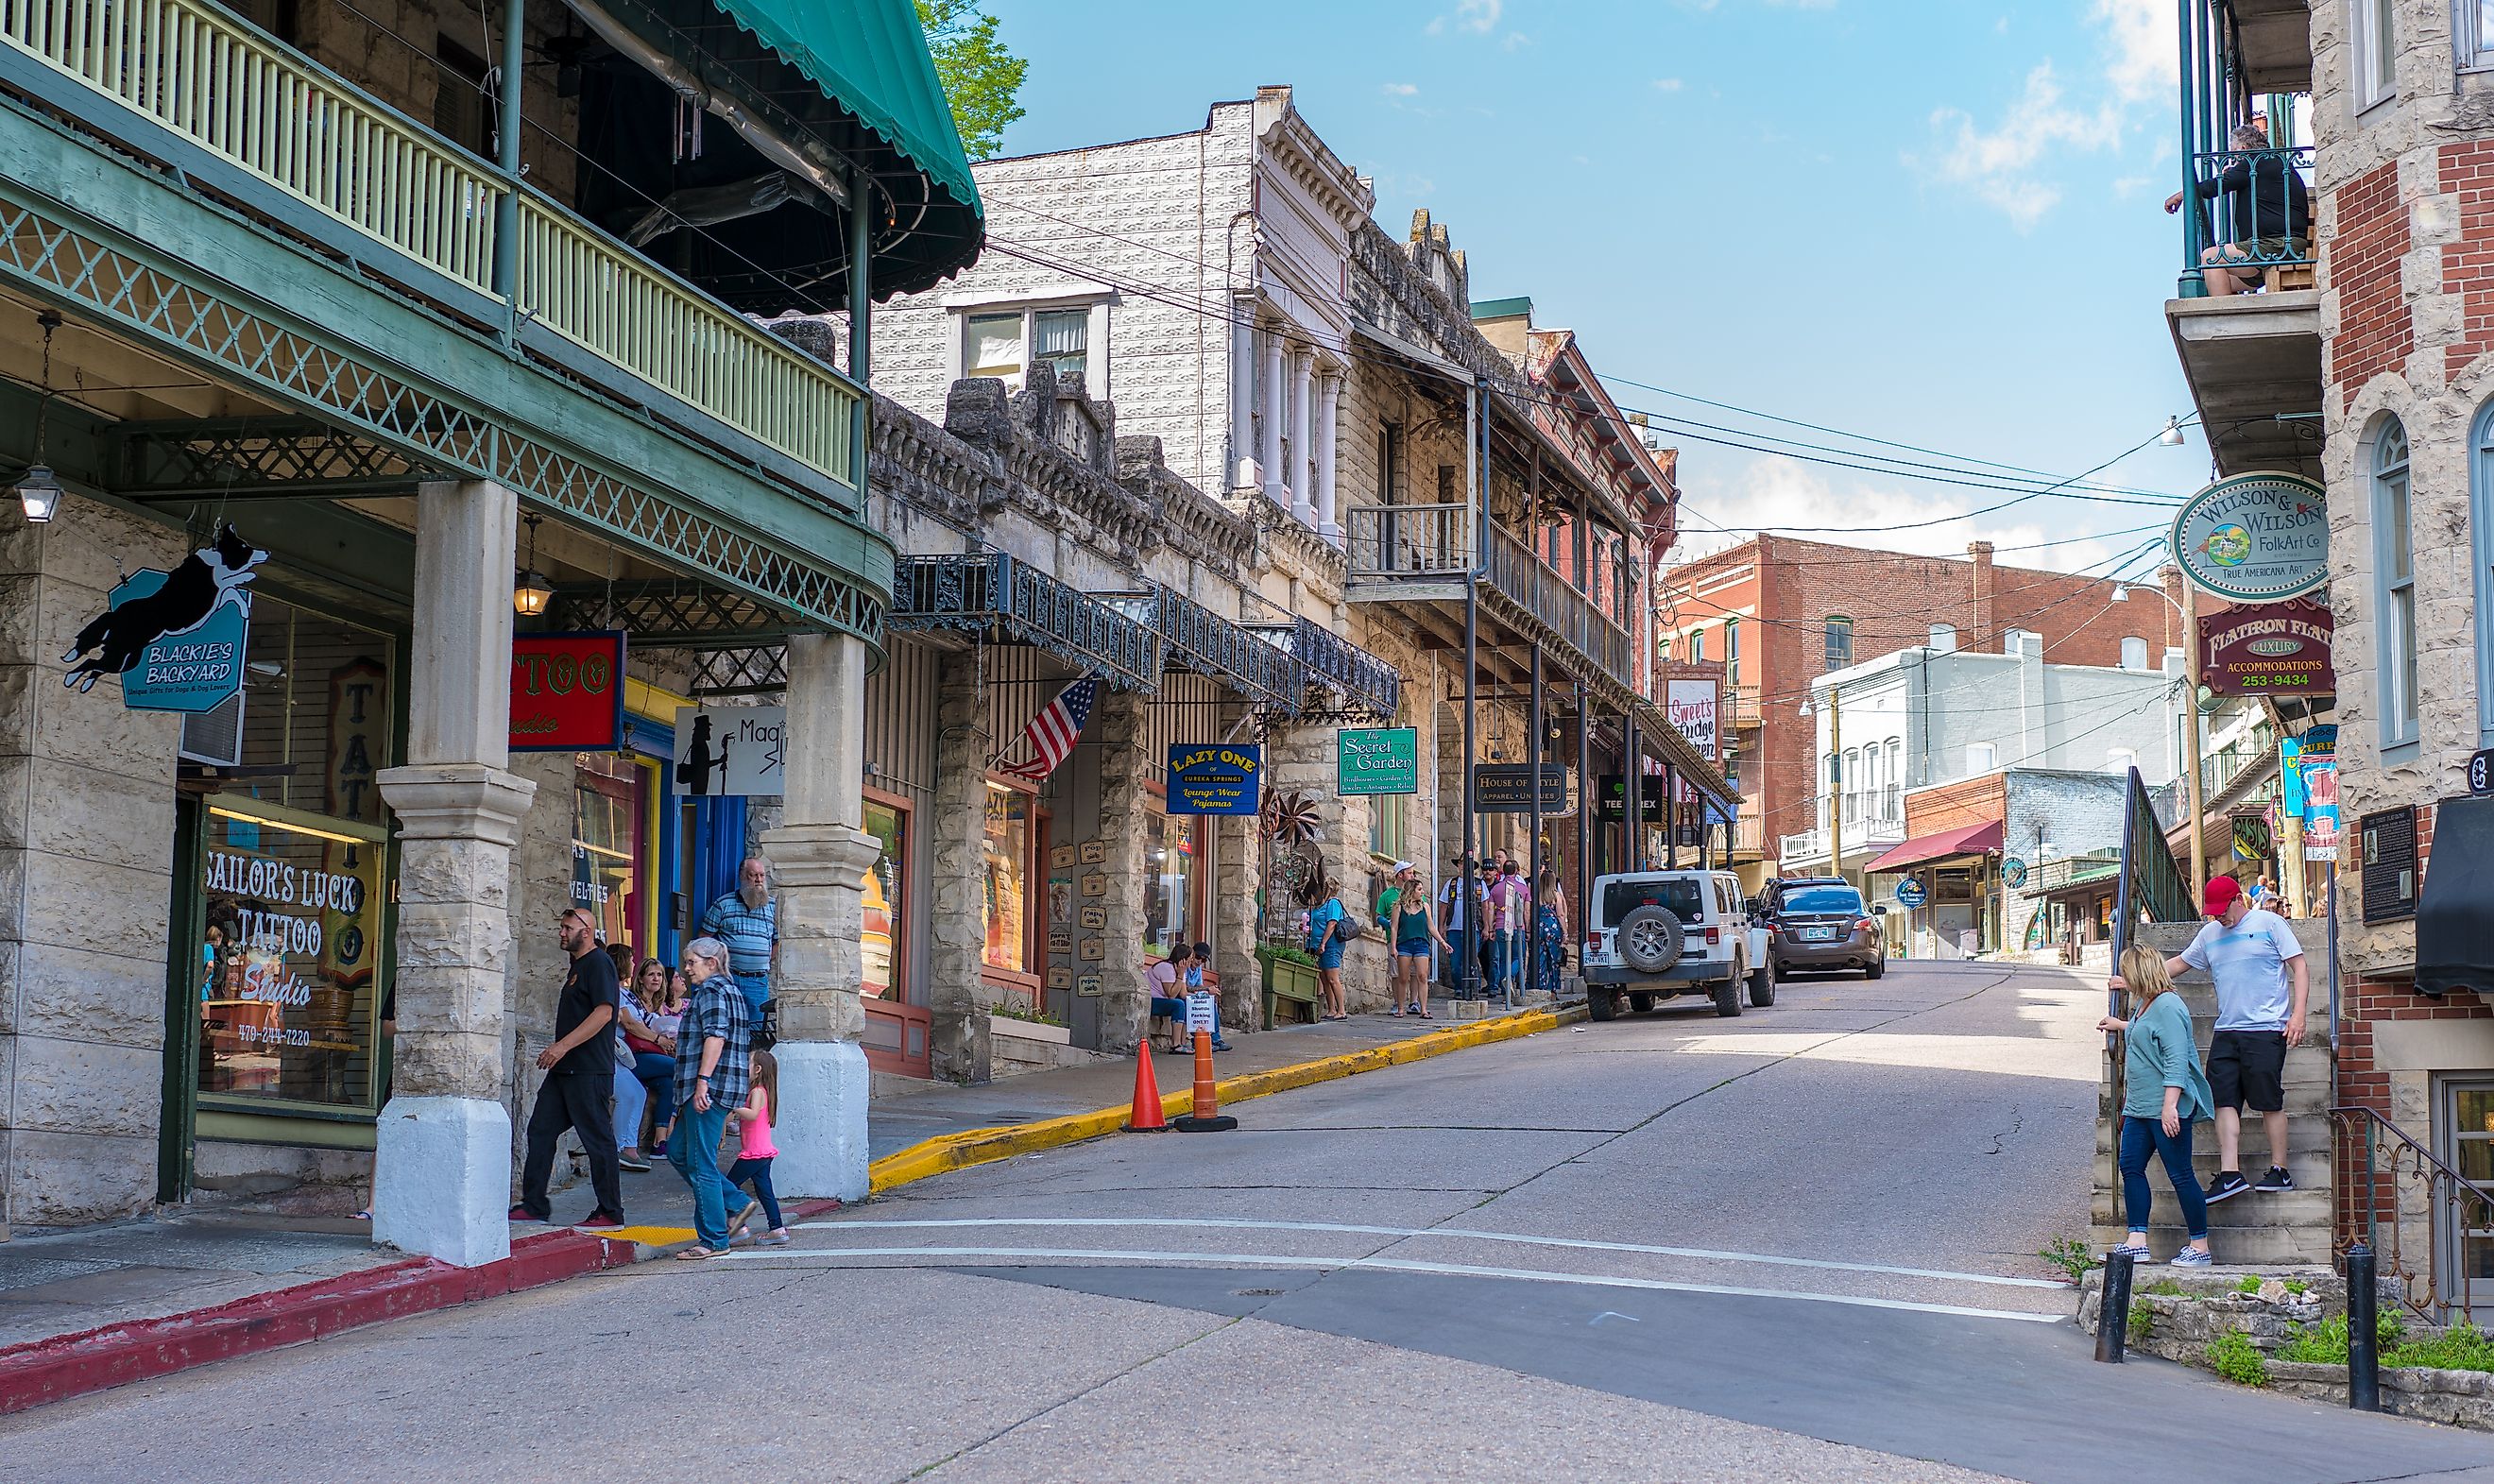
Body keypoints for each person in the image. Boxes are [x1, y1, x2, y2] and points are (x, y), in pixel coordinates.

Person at [2112, 873, 2307, 1205]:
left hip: (2266, 1027)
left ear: (2237, 900)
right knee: (2223, 1100)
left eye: (2222, 909)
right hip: (2227, 1029)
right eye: (2213, 911)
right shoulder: (2210, 934)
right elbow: (2178, 964)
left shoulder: (2270, 923)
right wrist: (2132, 980)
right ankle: (2230, 1173)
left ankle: (2280, 1169)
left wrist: (2298, 1014)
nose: (2218, 916)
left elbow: (2299, 967)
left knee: (2267, 1100)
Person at [2098, 945, 2215, 1266]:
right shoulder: (2144, 1004)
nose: (2124, 979)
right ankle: (2137, 1240)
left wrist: (2170, 1106)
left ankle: (2200, 1247)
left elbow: (2176, 1061)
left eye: (2127, 973)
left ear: (2140, 974)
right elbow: (2144, 1032)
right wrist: (2119, 1025)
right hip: (2139, 1107)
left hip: (2166, 1107)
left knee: (2180, 1174)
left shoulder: (2169, 1007)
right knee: (2130, 1165)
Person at [510, 908, 625, 1229]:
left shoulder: (599, 964)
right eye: (561, 927)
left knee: (597, 1139)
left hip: (589, 1071)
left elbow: (604, 1013)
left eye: (567, 927)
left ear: (586, 931)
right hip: (565, 1072)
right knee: (540, 1130)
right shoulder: (577, 967)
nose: (561, 932)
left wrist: (561, 1047)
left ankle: (611, 1212)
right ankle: (534, 1205)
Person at [669, 935, 753, 1259]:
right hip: (709, 1087)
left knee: (700, 1163)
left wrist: (703, 1081)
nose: (686, 968)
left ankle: (714, 1239)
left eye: (692, 962)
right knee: (678, 1152)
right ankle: (735, 1202)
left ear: (712, 963)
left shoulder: (713, 991)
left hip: (708, 1087)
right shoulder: (728, 991)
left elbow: (715, 1037)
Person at [2164, 122, 2311, 297]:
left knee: (2211, 258)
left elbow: (2217, 186)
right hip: (2270, 249)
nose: (2232, 159)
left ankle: (2223, 321)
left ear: (2243, 148)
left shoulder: (2257, 161)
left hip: (2277, 246)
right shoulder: (2272, 163)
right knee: (2217, 279)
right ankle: (2226, 316)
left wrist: (2182, 195)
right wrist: (2234, 173)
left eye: (2233, 153)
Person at [700, 857, 778, 1026]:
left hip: (758, 982)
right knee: (725, 1027)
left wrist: (762, 960)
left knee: (757, 1031)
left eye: (762, 875)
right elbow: (703, 939)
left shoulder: (773, 907)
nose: (759, 880)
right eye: (753, 875)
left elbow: (778, 942)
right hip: (729, 978)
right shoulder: (723, 904)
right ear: (742, 877)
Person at [724, 1047, 789, 1247]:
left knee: (727, 1186)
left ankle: (737, 1224)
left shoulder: (758, 1092)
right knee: (764, 1190)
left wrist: (734, 1107)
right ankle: (776, 1228)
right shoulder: (758, 1091)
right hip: (761, 1152)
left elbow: (752, 1114)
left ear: (758, 1069)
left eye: (748, 1064)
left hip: (754, 1153)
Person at [624, 959, 680, 1156]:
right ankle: (680, 1130)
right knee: (681, 1069)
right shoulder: (629, 999)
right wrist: (659, 1039)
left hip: (653, 1057)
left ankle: (660, 1142)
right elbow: (631, 1026)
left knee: (669, 1085)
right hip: (634, 1057)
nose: (656, 978)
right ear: (640, 979)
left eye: (659, 975)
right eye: (651, 974)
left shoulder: (657, 1005)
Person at [1388, 863, 1448, 1017]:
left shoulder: (1425, 906)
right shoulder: (1398, 907)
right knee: (1403, 978)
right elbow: (1394, 927)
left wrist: (1442, 942)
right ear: (1411, 891)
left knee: (1422, 976)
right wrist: (1393, 947)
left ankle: (1423, 1009)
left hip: (1421, 944)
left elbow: (1431, 926)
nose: (1422, 893)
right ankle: (1401, 1008)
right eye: (1419, 890)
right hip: (1404, 944)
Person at [1301, 875, 1350, 1020]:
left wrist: (1323, 943)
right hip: (1318, 945)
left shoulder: (1333, 903)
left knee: (1332, 978)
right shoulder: (1321, 905)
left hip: (1331, 945)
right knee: (1324, 978)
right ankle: (1331, 1009)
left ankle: (1341, 1011)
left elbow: (1332, 924)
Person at [1438, 855, 1486, 993]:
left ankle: (1473, 988)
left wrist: (1487, 927)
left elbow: (1485, 906)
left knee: (1472, 959)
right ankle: (1460, 988)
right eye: (1461, 864)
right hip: (1454, 928)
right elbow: (1444, 905)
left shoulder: (1479, 884)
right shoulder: (1451, 884)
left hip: (1474, 928)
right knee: (1455, 962)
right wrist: (1441, 926)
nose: (1463, 867)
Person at [1146, 943, 1197, 1053]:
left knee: (1187, 1002)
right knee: (1178, 1004)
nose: (1191, 962)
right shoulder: (1166, 967)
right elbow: (1171, 994)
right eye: (1190, 959)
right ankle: (1175, 1044)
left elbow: (1183, 994)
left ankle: (1183, 1042)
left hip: (1163, 1001)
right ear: (1182, 959)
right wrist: (1180, 975)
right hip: (1152, 1001)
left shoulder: (1181, 970)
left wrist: (1200, 997)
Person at [1187, 940, 1231, 1051]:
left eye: (1203, 960)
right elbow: (1187, 987)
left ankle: (1215, 1038)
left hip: (1192, 996)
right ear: (1192, 954)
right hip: (1184, 995)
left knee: (1210, 1002)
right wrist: (1207, 989)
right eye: (1198, 957)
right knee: (1198, 1005)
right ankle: (1199, 1038)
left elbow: (1199, 985)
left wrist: (1207, 992)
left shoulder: (1198, 969)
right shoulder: (1185, 965)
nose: (1199, 961)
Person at [1535, 867, 1569, 1000]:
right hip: (1553, 928)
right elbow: (1560, 915)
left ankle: (1541, 986)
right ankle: (1553, 989)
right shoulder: (1556, 896)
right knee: (1554, 960)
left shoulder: (1538, 895)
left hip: (1540, 927)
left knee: (1541, 958)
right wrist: (1565, 932)